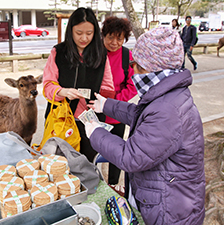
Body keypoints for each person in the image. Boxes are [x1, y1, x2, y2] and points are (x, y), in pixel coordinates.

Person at [84, 27, 205, 224]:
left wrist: (95, 133)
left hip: (170, 213)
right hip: (166, 199)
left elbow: (130, 157)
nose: (133, 72)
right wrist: (106, 105)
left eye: (137, 66)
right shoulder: (168, 96)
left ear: (155, 68)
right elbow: (140, 116)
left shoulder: (168, 109)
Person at [42, 7, 114, 162]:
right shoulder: (58, 52)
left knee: (88, 163)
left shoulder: (101, 54)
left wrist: (99, 98)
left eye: (89, 33)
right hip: (62, 119)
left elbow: (108, 87)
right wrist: (62, 91)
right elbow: (48, 85)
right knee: (61, 163)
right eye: (79, 33)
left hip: (90, 120)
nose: (84, 38)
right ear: (71, 31)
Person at [101, 16, 137, 188]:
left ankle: (114, 185)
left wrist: (114, 102)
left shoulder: (126, 55)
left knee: (116, 153)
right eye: (110, 37)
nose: (114, 42)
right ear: (103, 36)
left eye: (119, 38)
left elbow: (133, 84)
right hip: (94, 113)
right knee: (91, 152)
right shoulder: (94, 52)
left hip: (116, 114)